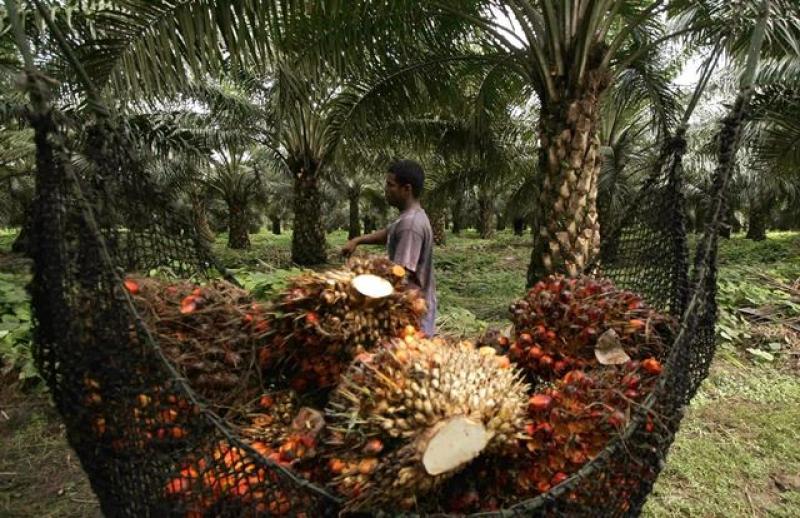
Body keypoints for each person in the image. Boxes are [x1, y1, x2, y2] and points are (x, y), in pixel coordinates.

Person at [341, 159, 437, 336]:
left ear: (406, 189)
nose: (386, 189)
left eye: (390, 185)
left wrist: (358, 285)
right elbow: (388, 233)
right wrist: (357, 240)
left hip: (413, 311)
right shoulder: (409, 216)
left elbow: (399, 274)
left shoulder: (411, 225)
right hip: (411, 305)